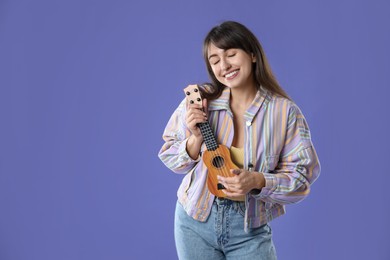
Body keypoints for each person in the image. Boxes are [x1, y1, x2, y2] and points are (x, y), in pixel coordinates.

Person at [158, 21, 320, 260]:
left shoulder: (284, 112)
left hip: (248, 228)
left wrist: (259, 181)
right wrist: (194, 140)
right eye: (214, 61)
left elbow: (303, 176)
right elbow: (170, 158)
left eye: (231, 54)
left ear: (252, 54)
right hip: (194, 220)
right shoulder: (201, 101)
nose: (224, 65)